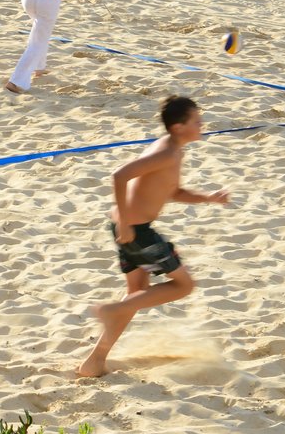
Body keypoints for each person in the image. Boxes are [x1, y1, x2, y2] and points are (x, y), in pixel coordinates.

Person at [76, 95, 232, 378]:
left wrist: (208, 197)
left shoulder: (174, 151)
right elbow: (119, 176)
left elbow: (173, 192)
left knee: (137, 296)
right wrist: (125, 223)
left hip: (130, 229)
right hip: (136, 231)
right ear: (178, 127)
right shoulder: (165, 153)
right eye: (196, 120)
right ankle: (111, 310)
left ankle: (95, 361)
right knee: (184, 286)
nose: (202, 124)